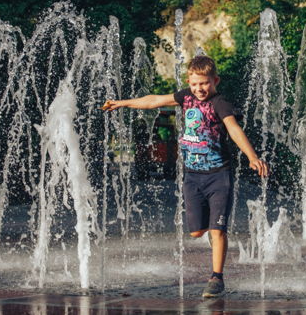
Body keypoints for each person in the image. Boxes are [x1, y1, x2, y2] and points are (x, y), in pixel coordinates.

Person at [102, 55, 268, 298]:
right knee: (196, 232)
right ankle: (213, 236)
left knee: (217, 230)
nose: (199, 89)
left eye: (204, 83)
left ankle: (216, 278)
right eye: (194, 84)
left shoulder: (220, 103)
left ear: (215, 81)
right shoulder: (186, 97)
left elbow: (233, 129)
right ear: (189, 82)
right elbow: (155, 100)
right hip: (192, 177)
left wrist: (252, 157)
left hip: (218, 176)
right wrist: (123, 103)